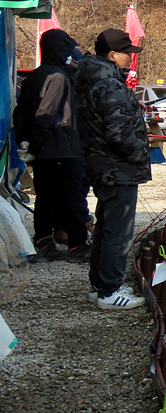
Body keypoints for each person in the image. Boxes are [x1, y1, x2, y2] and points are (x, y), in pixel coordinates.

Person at [74, 28, 150, 309]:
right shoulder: (109, 85)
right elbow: (119, 135)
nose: (131, 57)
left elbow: (108, 117)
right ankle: (109, 291)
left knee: (106, 227)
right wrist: (140, 154)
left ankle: (100, 286)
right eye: (127, 53)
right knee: (118, 232)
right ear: (112, 55)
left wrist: (131, 105)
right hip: (117, 169)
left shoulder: (95, 79)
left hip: (102, 165)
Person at [13, 29, 91, 262]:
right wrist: (35, 145)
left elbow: (20, 113)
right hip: (61, 150)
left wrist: (26, 142)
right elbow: (45, 115)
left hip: (46, 151)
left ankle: (44, 243)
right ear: (59, 50)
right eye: (67, 49)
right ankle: (78, 246)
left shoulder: (35, 77)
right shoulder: (57, 77)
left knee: (46, 199)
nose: (71, 54)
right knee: (72, 198)